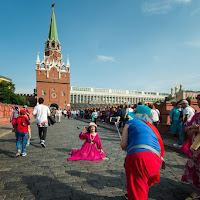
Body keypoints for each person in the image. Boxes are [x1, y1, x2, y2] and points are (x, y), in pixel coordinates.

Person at [121, 105, 164, 200]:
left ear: (137, 115)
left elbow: (123, 145)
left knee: (137, 191)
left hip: (140, 159)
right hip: (156, 160)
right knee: (142, 186)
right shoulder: (152, 127)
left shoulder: (130, 122)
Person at [181, 94, 200, 199]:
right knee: (197, 170)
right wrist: (193, 128)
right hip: (196, 149)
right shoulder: (197, 116)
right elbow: (187, 131)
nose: (198, 103)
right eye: (197, 101)